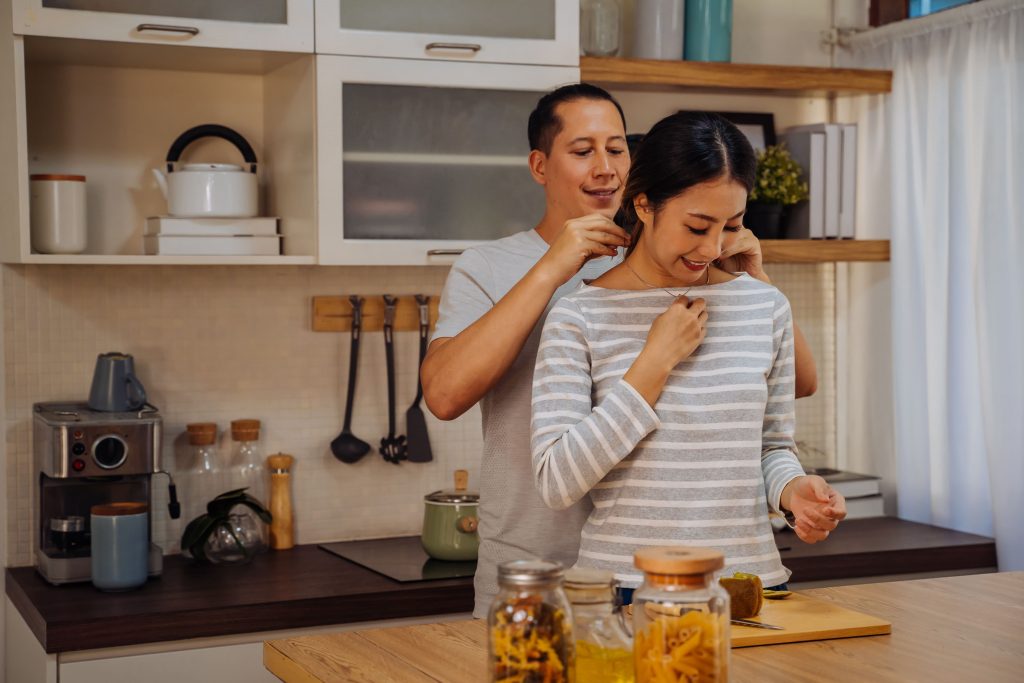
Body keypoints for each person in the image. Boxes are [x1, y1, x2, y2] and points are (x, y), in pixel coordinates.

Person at [423, 85, 817, 617]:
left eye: (616, 149)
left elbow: (783, 393)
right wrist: (553, 270)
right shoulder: (502, 271)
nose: (605, 167)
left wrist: (749, 280)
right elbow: (445, 396)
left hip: (689, 572)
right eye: (583, 151)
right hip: (540, 560)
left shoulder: (698, 261)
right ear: (540, 165)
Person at [529, 112, 845, 594]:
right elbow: (557, 481)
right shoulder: (580, 316)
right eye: (697, 226)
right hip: (624, 590)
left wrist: (792, 492)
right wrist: (652, 364)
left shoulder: (764, 306)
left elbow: (771, 448)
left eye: (731, 225)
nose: (712, 247)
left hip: (750, 585)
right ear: (644, 205)